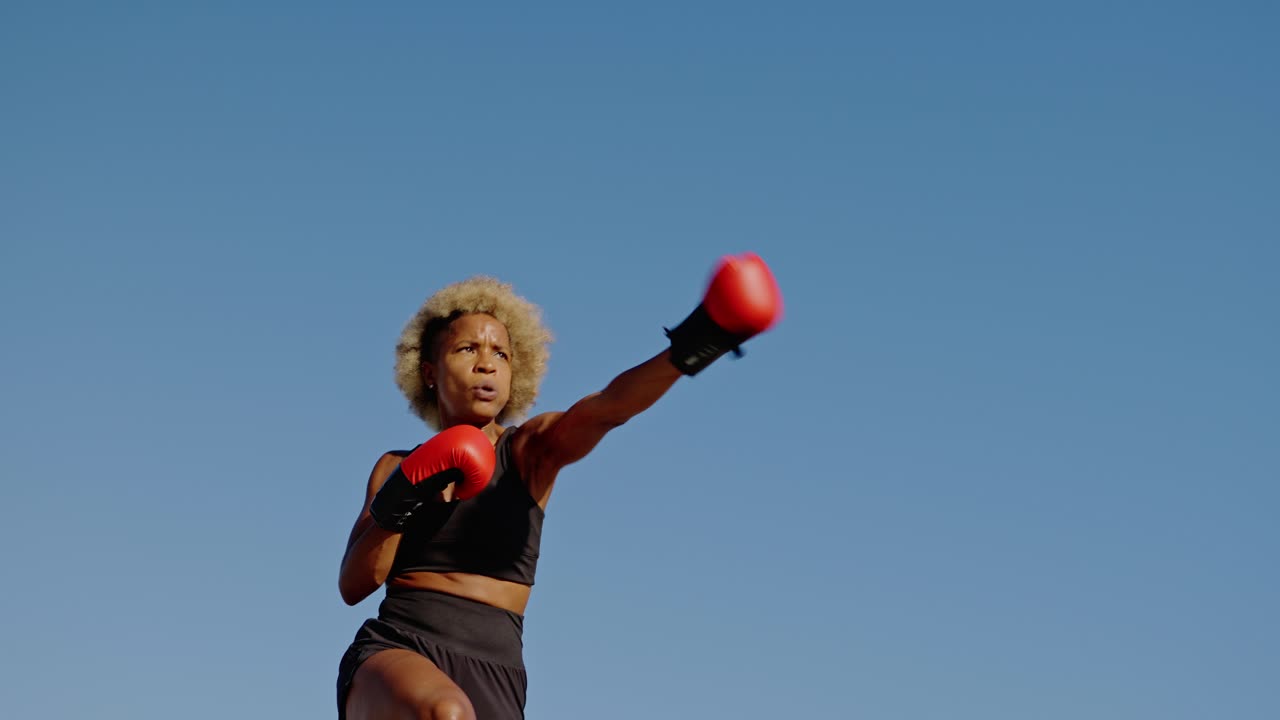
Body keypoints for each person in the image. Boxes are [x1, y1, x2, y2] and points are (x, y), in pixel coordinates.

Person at [336, 253, 783, 719]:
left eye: (501, 354)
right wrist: (408, 488)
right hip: (399, 648)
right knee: (446, 712)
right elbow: (354, 584)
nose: (487, 364)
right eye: (468, 349)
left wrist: (702, 338)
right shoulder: (395, 466)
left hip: (497, 671)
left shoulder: (530, 451)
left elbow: (608, 408)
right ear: (429, 371)